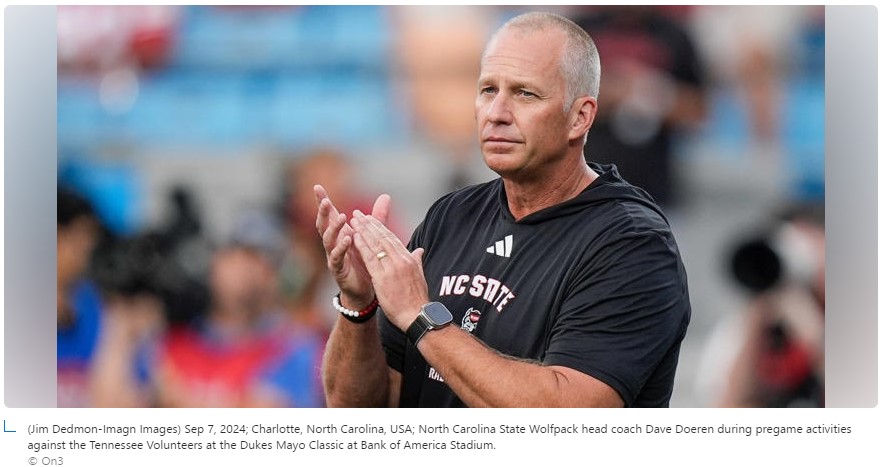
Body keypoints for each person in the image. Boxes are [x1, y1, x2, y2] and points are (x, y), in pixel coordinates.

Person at [314, 11, 691, 408]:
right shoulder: (450, 217)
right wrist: (358, 306)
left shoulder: (632, 245)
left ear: (580, 117)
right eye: (488, 90)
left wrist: (422, 317)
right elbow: (358, 411)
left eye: (525, 93)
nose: (497, 112)